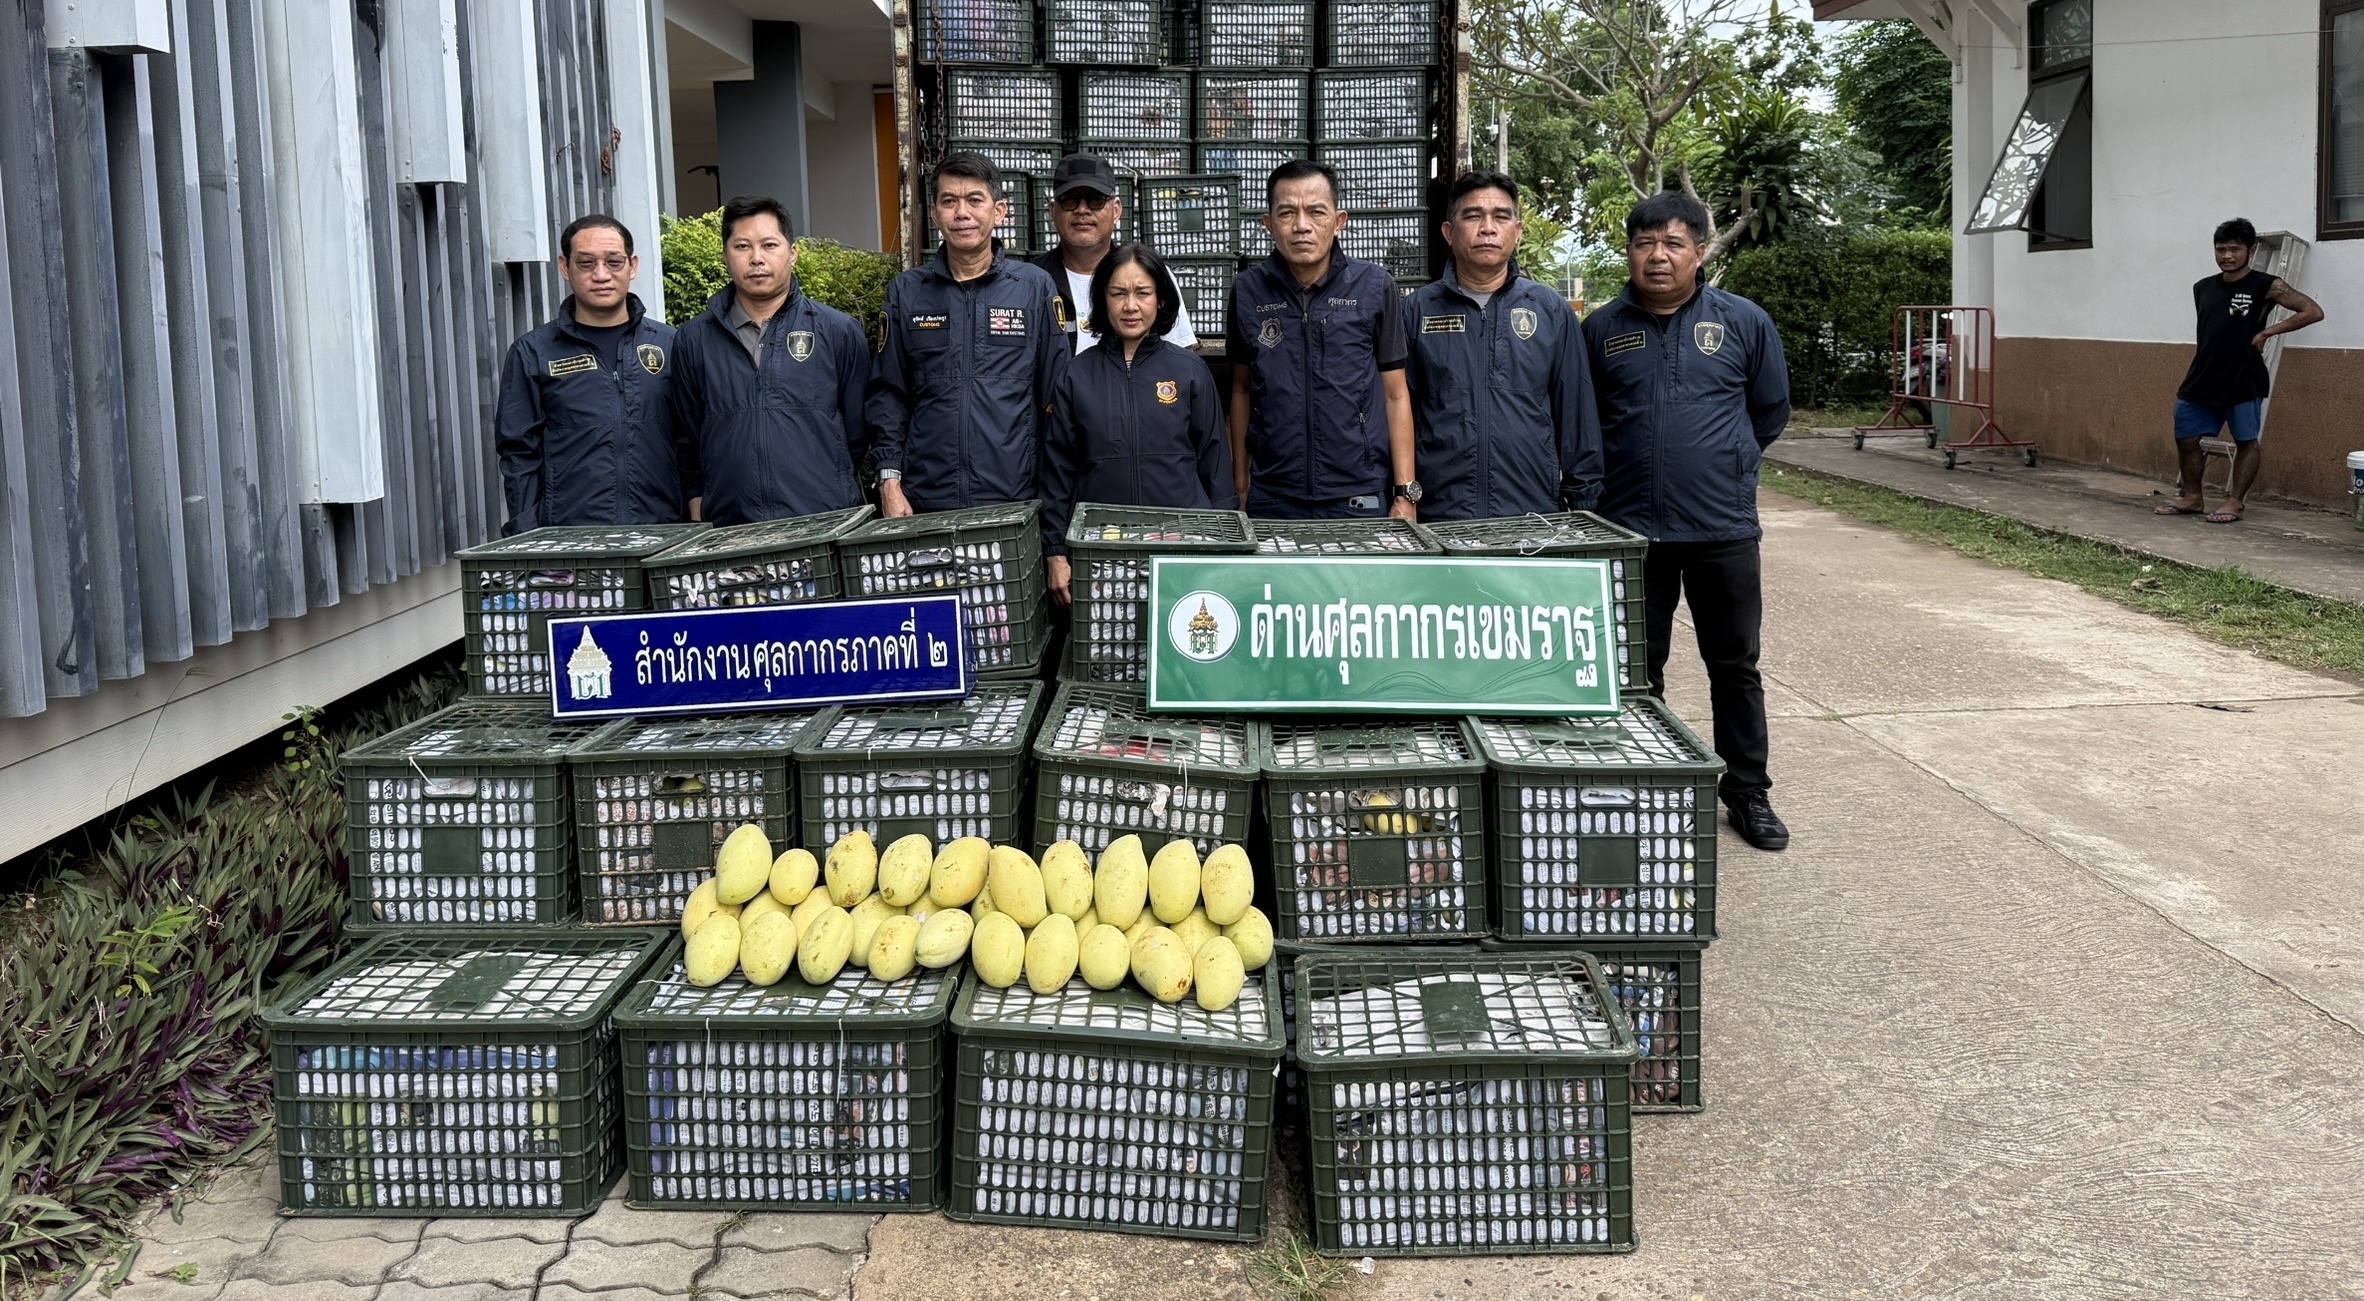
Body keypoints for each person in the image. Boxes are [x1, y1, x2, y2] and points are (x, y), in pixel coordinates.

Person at [1583, 192, 1792, 852]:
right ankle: (1644, 784)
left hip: (1721, 528)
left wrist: (1727, 463)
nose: (1658, 256)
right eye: (1645, 243)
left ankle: (1748, 792)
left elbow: (1770, 411)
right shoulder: (1601, 329)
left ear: (1700, 253)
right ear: (1628, 252)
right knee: (1637, 671)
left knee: (1734, 665)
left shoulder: (1743, 322)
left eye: (1673, 243)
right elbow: (1586, 420)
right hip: (1631, 531)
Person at [867, 152, 1069, 515]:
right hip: (925, 499)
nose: (962, 213)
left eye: (975, 200)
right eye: (949, 202)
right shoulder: (907, 292)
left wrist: (1052, 495)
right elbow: (888, 394)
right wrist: (889, 480)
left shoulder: (1033, 288)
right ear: (934, 214)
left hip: (1015, 499)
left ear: (999, 211)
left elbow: (1055, 395)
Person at [1039, 244, 1236, 604]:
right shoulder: (1075, 375)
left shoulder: (1189, 370)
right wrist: (1055, 550)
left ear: (1161, 300)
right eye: (1118, 293)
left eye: (1142, 293)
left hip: (1183, 544)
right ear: (1102, 300)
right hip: (1101, 549)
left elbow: (1215, 460)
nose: (1130, 306)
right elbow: (1058, 470)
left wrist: (1224, 538)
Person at [1225, 160, 1417, 520]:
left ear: (1339, 221)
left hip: (1358, 494)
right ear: (1269, 224)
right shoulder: (1248, 290)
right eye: (1287, 213)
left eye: (1316, 212)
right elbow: (1241, 390)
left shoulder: (1374, 286)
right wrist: (1240, 483)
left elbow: (1395, 394)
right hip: (1273, 494)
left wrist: (1405, 493)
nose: (1301, 225)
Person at [1404, 170, 1600, 520]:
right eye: (1472, 216)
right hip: (1440, 513)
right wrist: (1404, 495)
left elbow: (1576, 413)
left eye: (1501, 217)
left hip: (1531, 514)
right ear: (1449, 232)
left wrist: (1582, 503)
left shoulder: (1550, 310)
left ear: (1518, 231)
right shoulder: (1417, 310)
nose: (1488, 228)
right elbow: (1398, 410)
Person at [668, 195, 869, 526]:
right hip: (730, 527)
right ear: (725, 256)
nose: (756, 258)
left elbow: (856, 435)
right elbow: (687, 436)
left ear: (792, 253)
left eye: (769, 245)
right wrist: (696, 501)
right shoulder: (694, 340)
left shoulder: (838, 331)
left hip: (823, 523)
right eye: (742, 247)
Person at [494, 214, 680, 532]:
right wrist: (529, 535)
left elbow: (693, 443)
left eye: (614, 262)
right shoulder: (534, 352)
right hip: (571, 540)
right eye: (586, 263)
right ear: (565, 268)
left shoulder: (671, 345)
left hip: (663, 532)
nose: (601, 275)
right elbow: (519, 454)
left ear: (632, 266)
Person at [2155, 217, 2324, 524]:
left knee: (2246, 440)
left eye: (2235, 249)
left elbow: (2312, 311)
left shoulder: (2266, 285)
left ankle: (2235, 503)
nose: (2227, 256)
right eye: (2221, 249)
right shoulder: (2202, 288)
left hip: (2243, 377)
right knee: (2185, 436)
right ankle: (2193, 498)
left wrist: (2267, 332)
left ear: (2251, 250)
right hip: (2202, 375)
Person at [1035, 152, 1198, 354]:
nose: (1082, 210)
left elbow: (1179, 357)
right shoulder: (1032, 281)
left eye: (1096, 200)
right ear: (1052, 211)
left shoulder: (1150, 274)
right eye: (1070, 199)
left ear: (1116, 210)